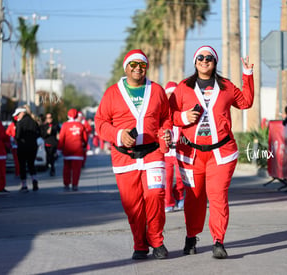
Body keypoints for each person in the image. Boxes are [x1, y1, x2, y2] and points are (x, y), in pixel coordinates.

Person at [168, 45, 254, 259]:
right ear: (194, 61)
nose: (204, 60)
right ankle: (191, 236)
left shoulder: (225, 86)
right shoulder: (183, 88)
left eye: (209, 58)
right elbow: (168, 114)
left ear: (215, 62)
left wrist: (248, 75)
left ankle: (218, 241)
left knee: (217, 196)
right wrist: (182, 118)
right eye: (200, 57)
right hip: (191, 154)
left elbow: (246, 102)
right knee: (194, 198)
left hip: (221, 153)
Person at [94, 49, 172, 260]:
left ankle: (156, 241)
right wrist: (118, 135)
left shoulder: (156, 90)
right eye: (134, 64)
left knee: (155, 196)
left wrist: (166, 132)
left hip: (152, 152)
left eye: (142, 65)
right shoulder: (112, 93)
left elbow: (166, 117)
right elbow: (100, 123)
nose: (138, 68)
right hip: (124, 156)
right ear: (126, 67)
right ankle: (140, 243)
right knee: (133, 205)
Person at [163, 81, 185, 213]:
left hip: (180, 151)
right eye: (169, 93)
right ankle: (168, 203)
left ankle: (180, 196)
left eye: (174, 93)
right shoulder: (163, 111)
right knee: (167, 179)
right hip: (166, 153)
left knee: (181, 178)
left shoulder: (183, 112)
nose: (171, 95)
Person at [57, 109, 88, 191]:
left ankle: (66, 183)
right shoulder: (80, 125)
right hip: (78, 150)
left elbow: (61, 138)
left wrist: (59, 149)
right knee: (76, 169)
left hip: (67, 150)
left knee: (66, 168)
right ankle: (75, 184)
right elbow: (85, 138)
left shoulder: (65, 125)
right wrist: (84, 146)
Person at [13, 107, 40, 193]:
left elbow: (17, 136)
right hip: (33, 146)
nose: (17, 116)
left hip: (23, 147)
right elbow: (38, 133)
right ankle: (34, 181)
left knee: (22, 166)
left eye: (17, 114)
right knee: (31, 164)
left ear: (22, 113)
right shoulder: (34, 122)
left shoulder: (20, 123)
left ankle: (24, 185)